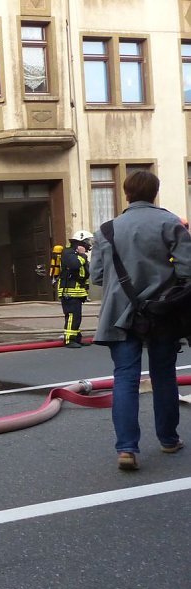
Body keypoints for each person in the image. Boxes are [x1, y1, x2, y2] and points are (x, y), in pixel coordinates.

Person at [90, 170, 191, 470]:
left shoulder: (106, 230)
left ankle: (127, 449)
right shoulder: (170, 223)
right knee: (163, 376)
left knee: (125, 378)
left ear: (126, 193)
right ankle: (168, 440)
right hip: (162, 314)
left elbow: (97, 276)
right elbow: (187, 271)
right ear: (155, 193)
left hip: (119, 316)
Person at [57, 230, 93, 348]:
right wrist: (82, 255)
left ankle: (77, 338)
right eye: (88, 242)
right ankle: (69, 340)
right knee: (72, 316)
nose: (89, 244)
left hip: (77, 292)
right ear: (81, 242)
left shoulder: (78, 254)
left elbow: (84, 274)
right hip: (69, 291)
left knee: (76, 316)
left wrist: (86, 288)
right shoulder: (68, 253)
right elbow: (74, 265)